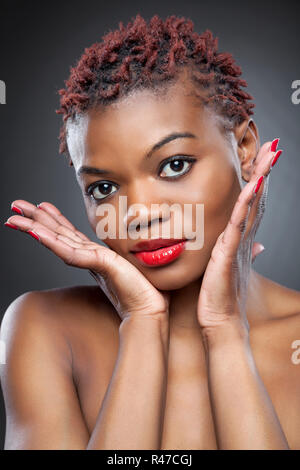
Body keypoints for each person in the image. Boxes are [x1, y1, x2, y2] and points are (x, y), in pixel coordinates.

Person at [1, 13, 300, 450]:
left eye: (173, 165)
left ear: (245, 149)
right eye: (103, 188)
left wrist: (225, 331)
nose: (138, 214)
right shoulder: (46, 330)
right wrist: (141, 325)